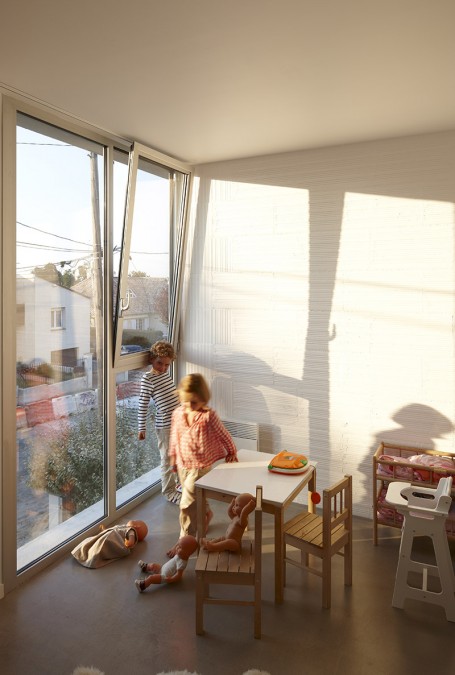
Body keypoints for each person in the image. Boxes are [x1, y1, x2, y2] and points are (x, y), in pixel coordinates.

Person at [168, 373, 238, 549]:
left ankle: (184, 541)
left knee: (186, 504)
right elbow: (174, 436)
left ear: (203, 399)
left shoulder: (208, 416)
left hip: (200, 467)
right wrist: (173, 457)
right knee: (195, 497)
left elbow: (224, 435)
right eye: (186, 401)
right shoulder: (178, 413)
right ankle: (206, 513)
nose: (190, 406)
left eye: (195, 402)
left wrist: (231, 451)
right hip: (183, 465)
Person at [137, 340, 181, 504]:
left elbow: (173, 397)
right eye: (159, 363)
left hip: (178, 423)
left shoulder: (164, 375)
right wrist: (141, 428)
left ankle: (177, 486)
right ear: (151, 360)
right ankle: (168, 491)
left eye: (167, 365)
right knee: (167, 459)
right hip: (165, 426)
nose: (163, 368)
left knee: (178, 456)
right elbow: (143, 403)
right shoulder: (147, 379)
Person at [71, 520, 148, 568]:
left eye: (136, 520)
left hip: (111, 539)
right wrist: (105, 530)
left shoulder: (131, 530)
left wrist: (129, 543)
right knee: (93, 541)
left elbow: (131, 540)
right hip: (108, 535)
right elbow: (113, 529)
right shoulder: (124, 527)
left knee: (99, 545)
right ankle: (85, 553)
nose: (132, 520)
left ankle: (87, 556)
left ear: (137, 526)